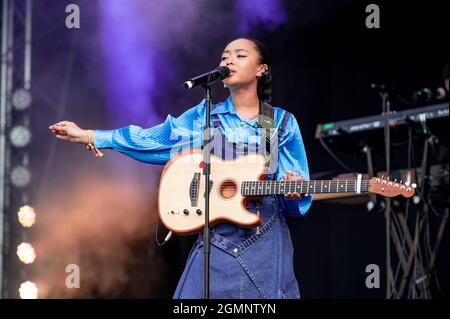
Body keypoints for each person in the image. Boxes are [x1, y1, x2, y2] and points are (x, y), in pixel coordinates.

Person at [49, 38, 313, 299]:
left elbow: (293, 205)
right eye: (224, 57)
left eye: (240, 55)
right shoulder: (206, 116)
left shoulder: (281, 123)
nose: (229, 60)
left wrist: (294, 189)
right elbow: (153, 139)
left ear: (261, 69)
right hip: (216, 241)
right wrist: (93, 136)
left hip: (265, 243)